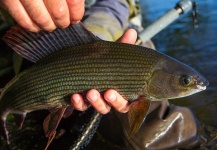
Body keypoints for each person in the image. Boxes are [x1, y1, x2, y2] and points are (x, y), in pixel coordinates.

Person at [0, 0, 200, 149]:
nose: (193, 85)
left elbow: (112, 6)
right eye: (185, 81)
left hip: (104, 27)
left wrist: (99, 45)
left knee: (153, 135)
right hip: (47, 42)